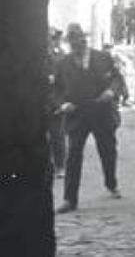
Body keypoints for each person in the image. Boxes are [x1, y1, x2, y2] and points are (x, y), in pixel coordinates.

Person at [53, 23, 122, 213]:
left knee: (107, 150)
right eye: (72, 41)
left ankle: (111, 183)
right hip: (77, 114)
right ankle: (69, 199)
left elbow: (117, 79)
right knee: (73, 155)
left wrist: (111, 91)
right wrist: (62, 104)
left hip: (101, 111)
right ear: (69, 43)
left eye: (80, 40)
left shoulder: (103, 58)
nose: (77, 44)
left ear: (85, 40)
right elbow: (56, 90)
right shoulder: (63, 64)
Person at [46, 27, 67, 179]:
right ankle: (49, 164)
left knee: (57, 135)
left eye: (56, 39)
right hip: (41, 99)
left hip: (55, 100)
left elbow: (66, 77)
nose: (54, 42)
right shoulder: (39, 54)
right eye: (52, 39)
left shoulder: (61, 55)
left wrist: (54, 78)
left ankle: (60, 166)